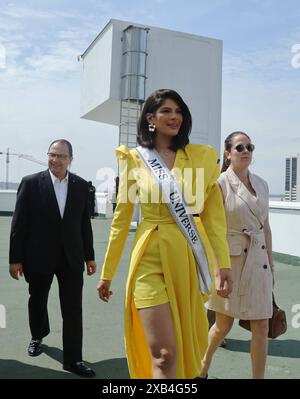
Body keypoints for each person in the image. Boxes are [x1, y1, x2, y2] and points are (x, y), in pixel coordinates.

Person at [97, 89, 232, 379]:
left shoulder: (201, 158)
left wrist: (223, 265)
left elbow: (214, 218)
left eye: (179, 112)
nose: (175, 117)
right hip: (149, 258)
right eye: (167, 111)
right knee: (164, 354)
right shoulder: (134, 160)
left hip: (187, 257)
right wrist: (107, 273)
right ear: (150, 119)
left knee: (184, 347)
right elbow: (121, 219)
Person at [9, 139, 97, 378]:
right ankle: (37, 336)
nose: (55, 160)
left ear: (71, 159)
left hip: (71, 257)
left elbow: (83, 224)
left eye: (61, 156)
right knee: (37, 301)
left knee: (73, 309)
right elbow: (19, 223)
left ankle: (73, 360)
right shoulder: (30, 183)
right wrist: (15, 259)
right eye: (52, 155)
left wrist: (89, 256)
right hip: (38, 256)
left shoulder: (80, 185)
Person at [200, 131, 274, 379]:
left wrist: (271, 266)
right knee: (222, 326)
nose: (246, 151)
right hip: (231, 263)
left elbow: (265, 227)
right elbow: (212, 231)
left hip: (259, 262)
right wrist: (218, 271)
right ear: (228, 153)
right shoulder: (219, 184)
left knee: (261, 326)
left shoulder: (262, 184)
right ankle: (202, 366)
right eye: (240, 147)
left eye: (249, 147)